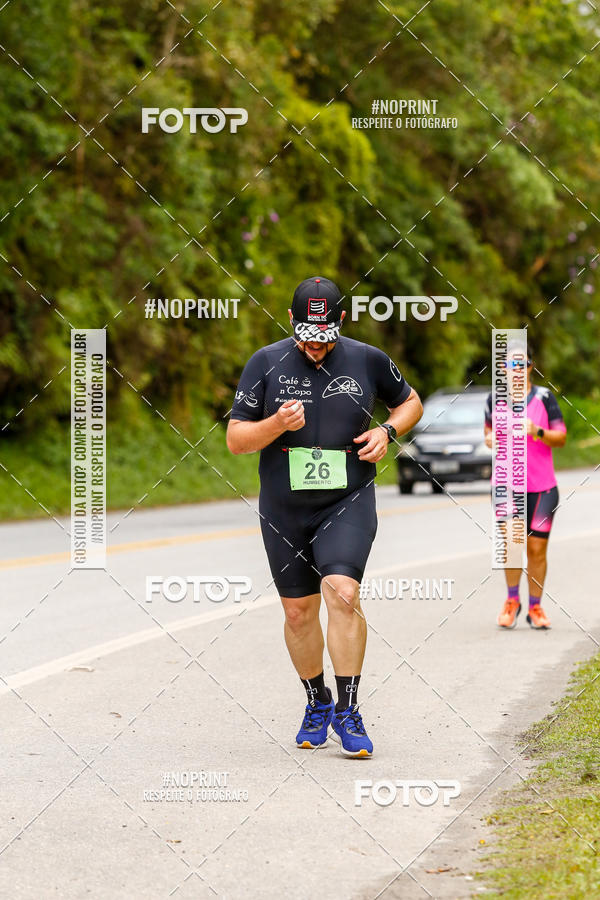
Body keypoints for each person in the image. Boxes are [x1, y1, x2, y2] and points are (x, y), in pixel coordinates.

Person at [227, 276, 422, 757]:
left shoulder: (367, 359)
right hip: (284, 507)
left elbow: (410, 402)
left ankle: (349, 710)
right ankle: (318, 701)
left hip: (347, 498)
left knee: (343, 592)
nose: (315, 346)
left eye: (325, 336)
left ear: (341, 321)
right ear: (290, 321)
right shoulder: (266, 363)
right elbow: (236, 440)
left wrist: (387, 432)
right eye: (307, 336)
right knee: (298, 612)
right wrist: (276, 424)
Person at [484, 354, 567, 630]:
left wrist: (537, 431)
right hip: (505, 486)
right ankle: (512, 601)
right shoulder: (494, 399)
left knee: (537, 549)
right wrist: (490, 439)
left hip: (542, 487)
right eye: (510, 364)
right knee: (512, 543)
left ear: (531, 367)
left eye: (522, 364)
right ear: (502, 368)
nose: (516, 369)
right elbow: (487, 434)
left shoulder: (545, 398)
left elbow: (561, 437)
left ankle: (535, 606)